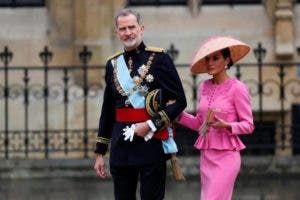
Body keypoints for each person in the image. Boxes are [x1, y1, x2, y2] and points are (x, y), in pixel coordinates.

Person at [93, 8, 187, 200]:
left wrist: (151, 124)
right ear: (117, 33)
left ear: (141, 28)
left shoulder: (160, 59)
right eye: (123, 29)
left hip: (150, 143)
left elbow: (180, 100)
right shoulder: (112, 65)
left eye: (131, 27)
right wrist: (100, 152)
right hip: (121, 145)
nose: (127, 32)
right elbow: (108, 109)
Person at [176, 36, 254, 200]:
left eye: (216, 58)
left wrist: (227, 126)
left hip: (227, 157)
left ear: (227, 60)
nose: (210, 62)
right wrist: (177, 114)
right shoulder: (204, 86)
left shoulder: (238, 88)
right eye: (208, 59)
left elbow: (249, 125)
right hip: (207, 156)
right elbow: (199, 123)